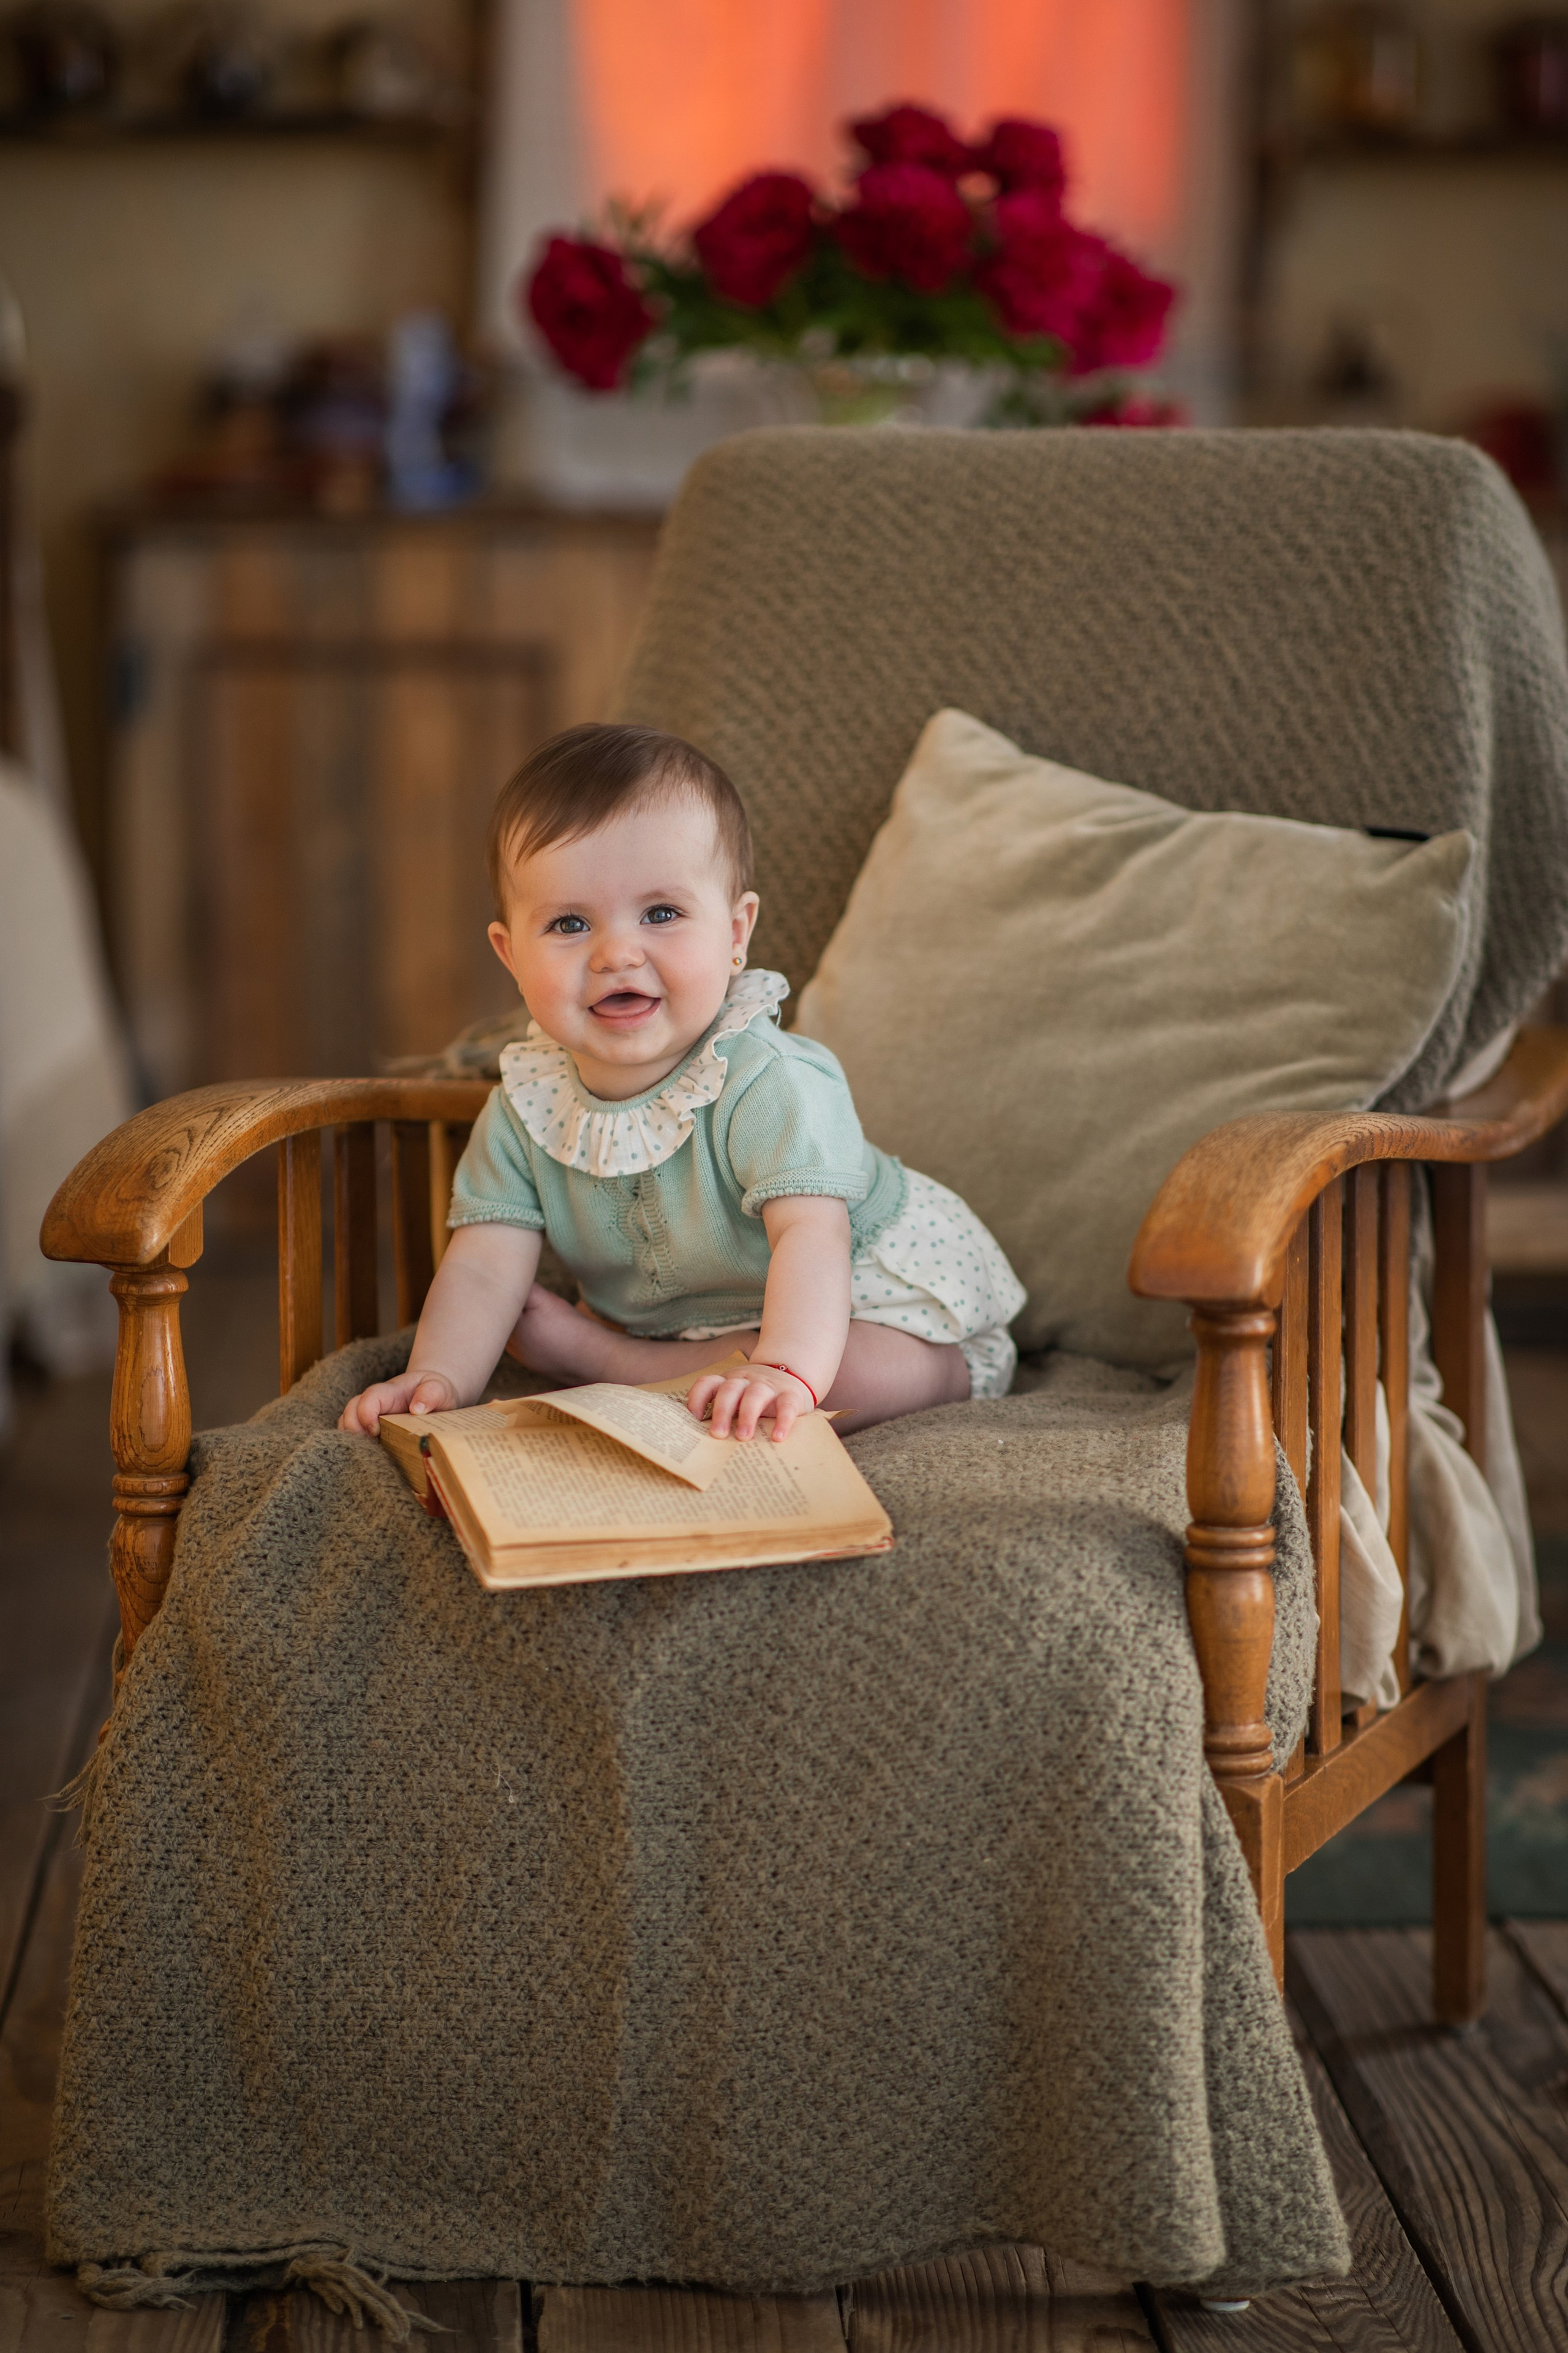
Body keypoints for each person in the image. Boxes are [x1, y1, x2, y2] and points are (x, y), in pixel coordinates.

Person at [339, 723, 1023, 1445]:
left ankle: (613, 1360)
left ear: (735, 933)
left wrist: (787, 1370)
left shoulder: (766, 1079)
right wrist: (438, 1377)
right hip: (710, 1325)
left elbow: (810, 1239)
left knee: (855, 1372)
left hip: (862, 1300)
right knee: (526, 1299)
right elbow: (482, 1267)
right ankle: (658, 1363)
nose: (617, 952)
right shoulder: (525, 1103)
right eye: (569, 923)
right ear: (510, 955)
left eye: (661, 913)